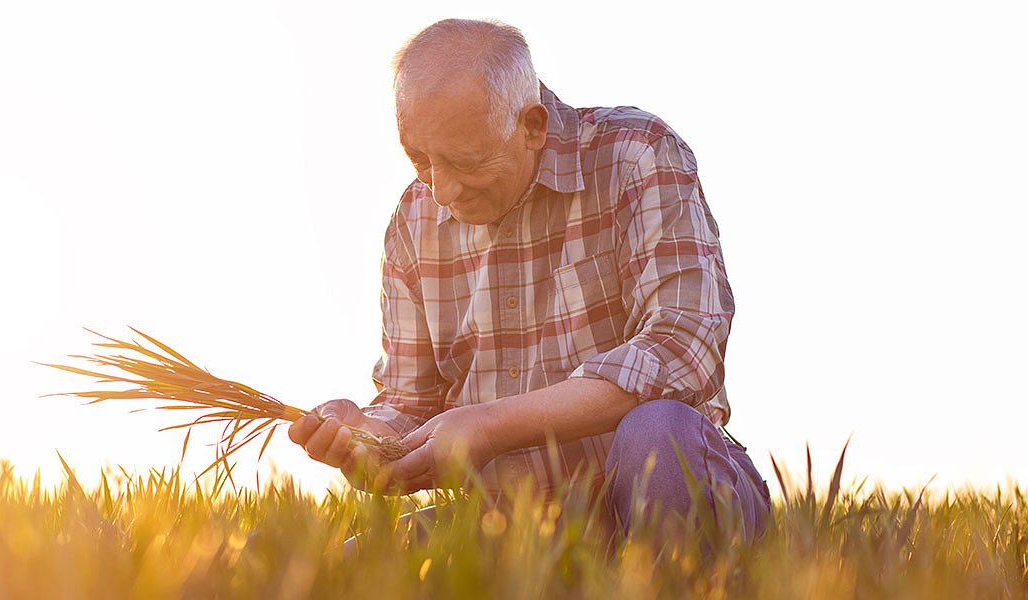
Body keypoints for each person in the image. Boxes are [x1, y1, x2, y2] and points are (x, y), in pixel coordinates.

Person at [287, 18, 771, 543]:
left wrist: (491, 426)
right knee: (359, 562)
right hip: (518, 522)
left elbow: (684, 348)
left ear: (533, 125)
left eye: (464, 161)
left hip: (661, 491)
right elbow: (411, 405)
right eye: (419, 159)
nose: (442, 189)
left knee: (659, 435)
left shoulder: (635, 154)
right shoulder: (413, 221)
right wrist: (367, 437)